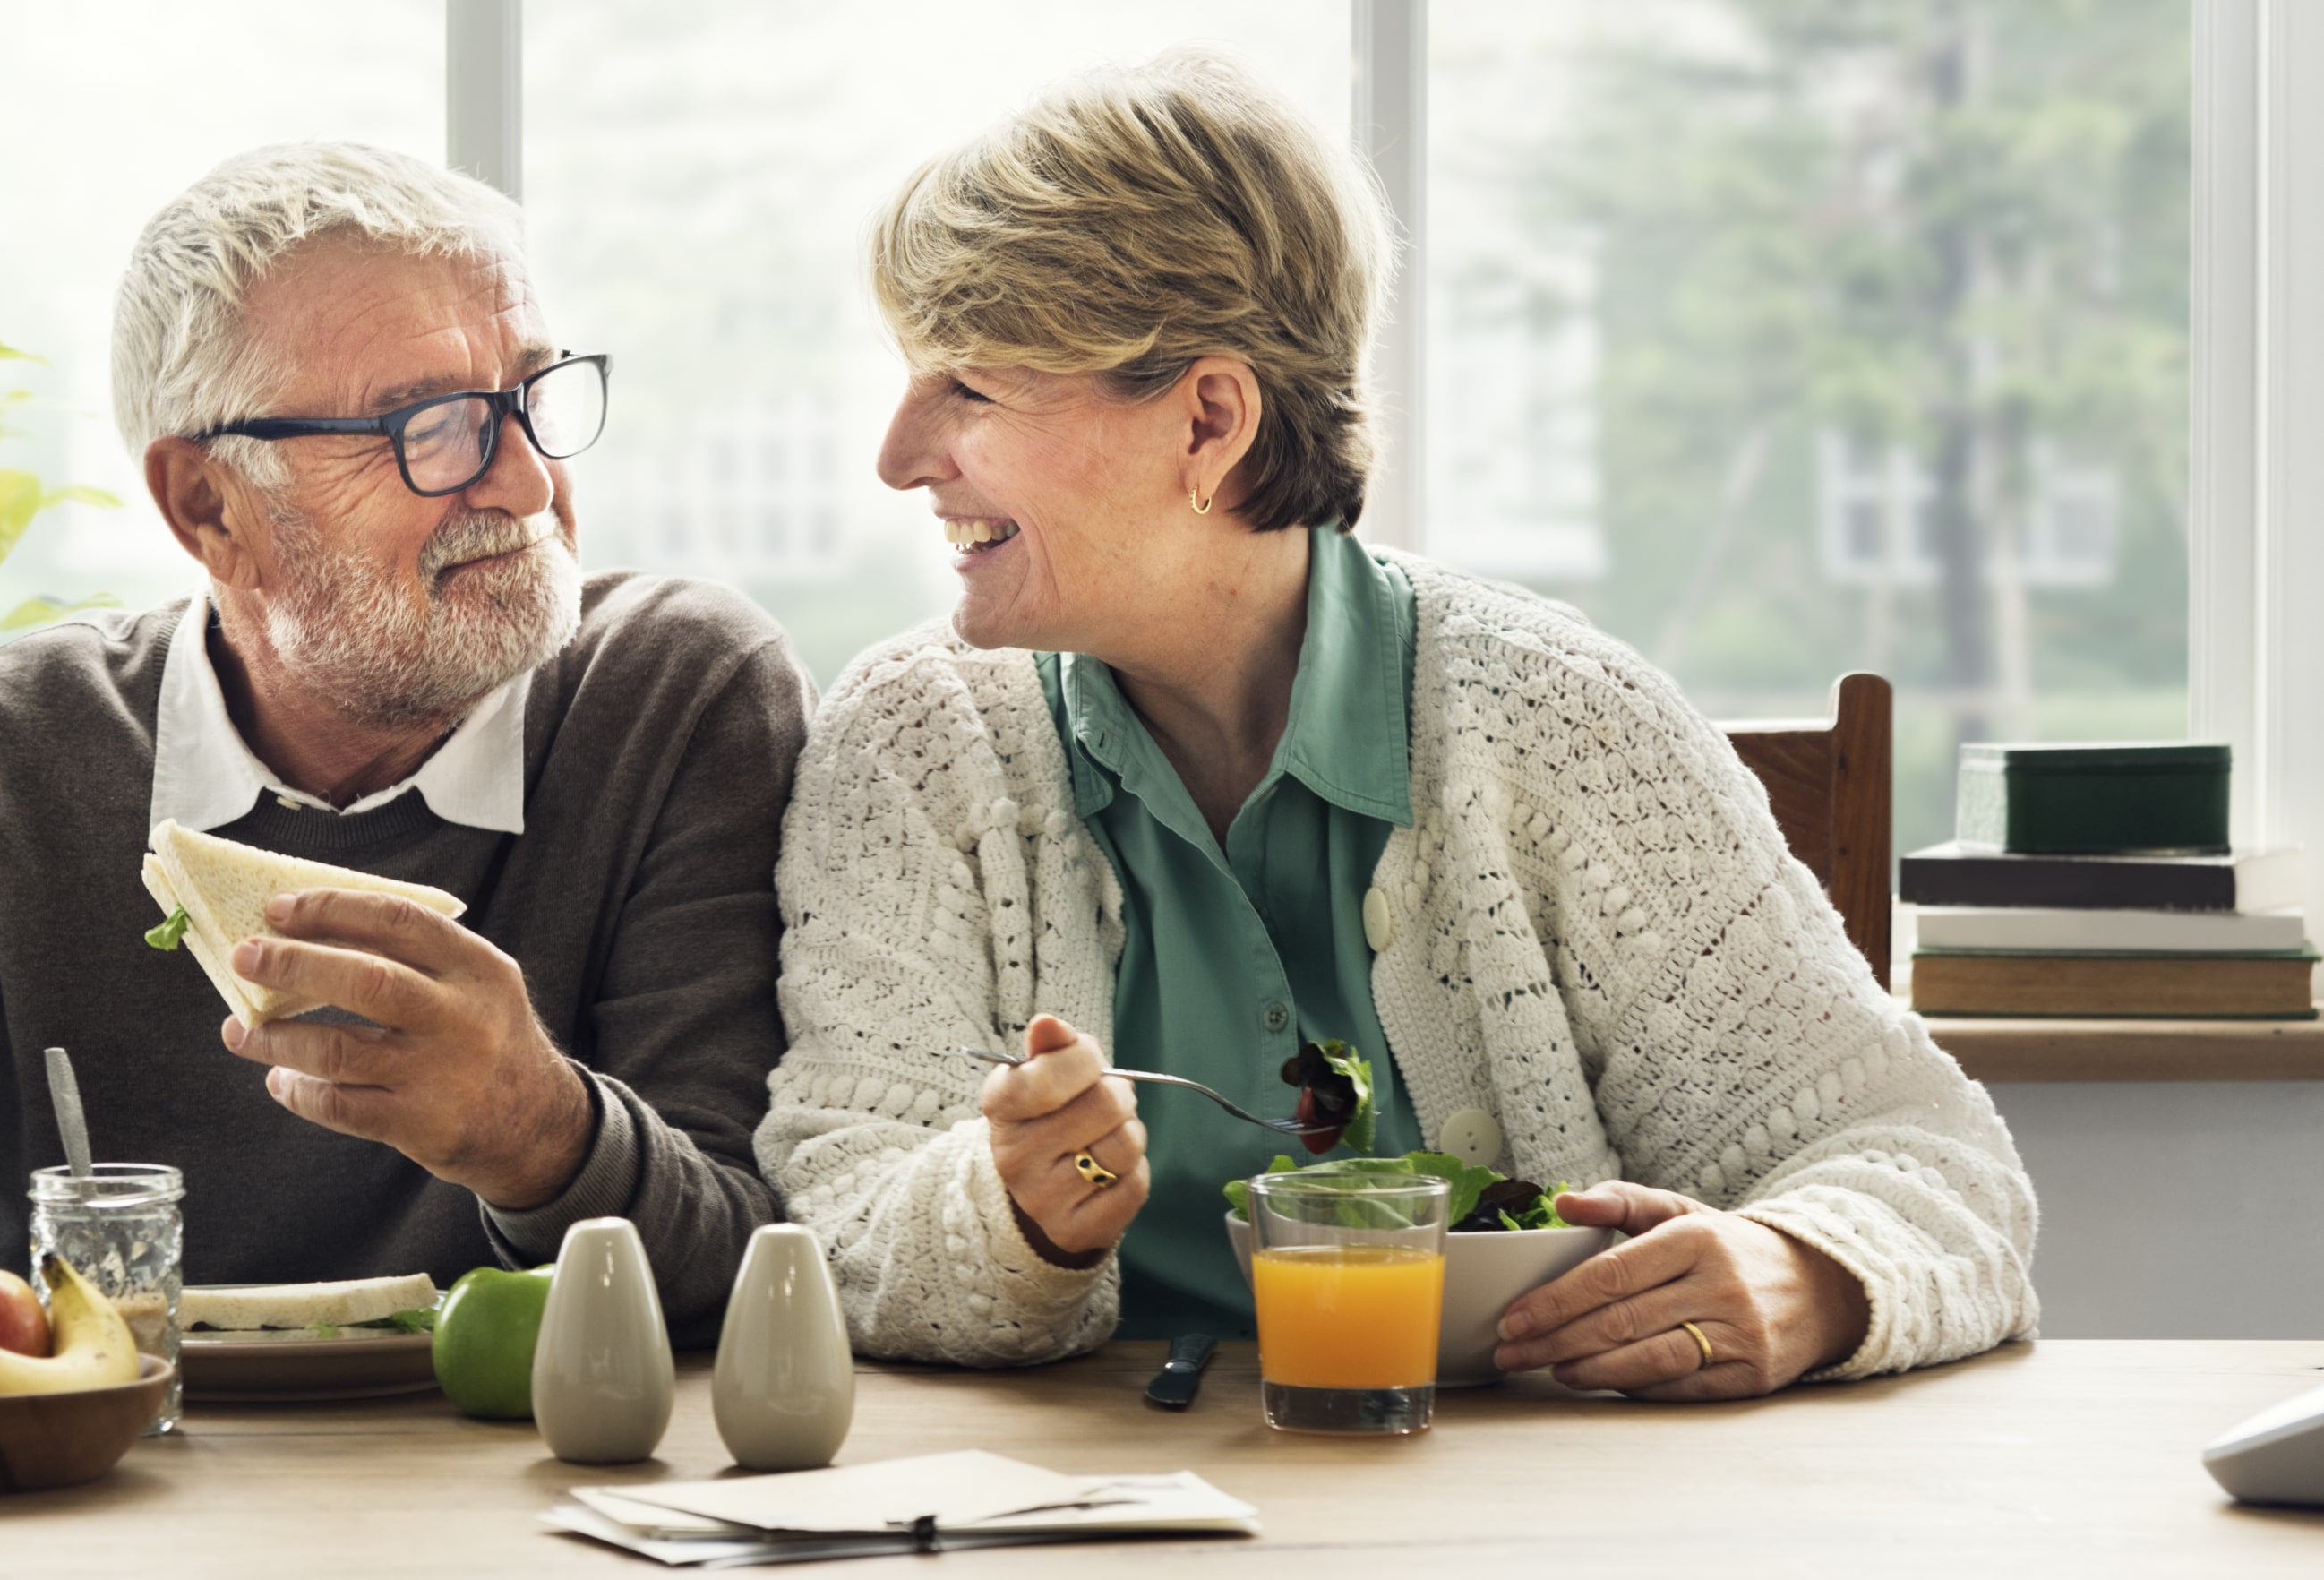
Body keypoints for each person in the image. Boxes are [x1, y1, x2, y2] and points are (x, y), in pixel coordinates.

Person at [758, 54, 2037, 1398]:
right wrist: (1009, 1212)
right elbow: (832, 1209)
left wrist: (1811, 1270)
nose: (901, 455)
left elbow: (1924, 1156)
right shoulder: (914, 744)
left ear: (1208, 417)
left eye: (969, 386)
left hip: (1523, 1512)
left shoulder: (1563, 721)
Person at [0, 142, 811, 1337]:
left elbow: (765, 1280)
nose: (530, 484)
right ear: (207, 503)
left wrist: (540, 1133)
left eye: (531, 395)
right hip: (72, 1495)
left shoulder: (676, 696)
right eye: (430, 427)